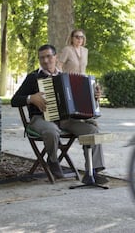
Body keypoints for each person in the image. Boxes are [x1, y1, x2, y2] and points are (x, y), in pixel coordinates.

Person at [11, 44, 108, 184]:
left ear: (56, 57)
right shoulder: (33, 77)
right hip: (40, 118)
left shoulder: (64, 77)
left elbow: (81, 99)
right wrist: (31, 98)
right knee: (52, 131)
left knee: (92, 130)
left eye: (49, 56)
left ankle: (92, 171)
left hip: (66, 120)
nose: (45, 60)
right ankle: (53, 160)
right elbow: (15, 100)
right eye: (42, 58)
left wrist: (94, 96)